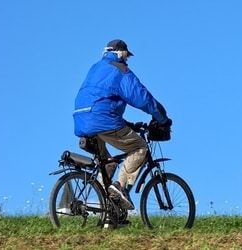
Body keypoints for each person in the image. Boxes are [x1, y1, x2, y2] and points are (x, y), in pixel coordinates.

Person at [73, 39, 172, 210]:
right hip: (102, 120)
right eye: (127, 56)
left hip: (82, 120)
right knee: (139, 148)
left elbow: (101, 100)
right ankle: (120, 186)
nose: (127, 60)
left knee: (107, 163)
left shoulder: (95, 68)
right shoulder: (120, 70)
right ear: (120, 53)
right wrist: (162, 118)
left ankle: (108, 213)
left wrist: (128, 125)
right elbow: (142, 98)